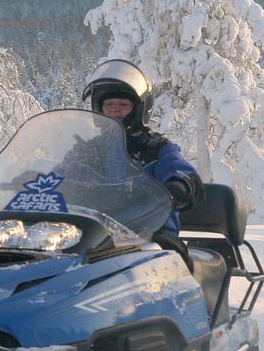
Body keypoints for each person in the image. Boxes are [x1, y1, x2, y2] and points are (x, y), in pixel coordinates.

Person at [81, 59, 203, 261]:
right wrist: (37, 180)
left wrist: (179, 183)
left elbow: (181, 170)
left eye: (123, 104)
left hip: (151, 238)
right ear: (99, 108)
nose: (115, 110)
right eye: (108, 104)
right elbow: (63, 171)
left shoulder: (156, 148)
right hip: (94, 237)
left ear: (139, 108)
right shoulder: (89, 150)